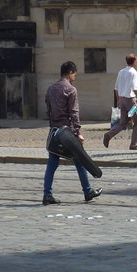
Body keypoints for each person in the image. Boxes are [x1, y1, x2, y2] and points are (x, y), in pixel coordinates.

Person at [43, 60, 102, 206]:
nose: (75, 77)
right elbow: (74, 113)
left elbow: (48, 110)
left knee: (52, 163)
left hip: (55, 131)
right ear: (70, 73)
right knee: (79, 158)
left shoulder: (50, 89)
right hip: (67, 132)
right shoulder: (70, 90)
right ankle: (87, 191)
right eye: (74, 74)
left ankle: (47, 194)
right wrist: (78, 132)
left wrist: (53, 127)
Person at [102, 53, 137, 150]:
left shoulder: (121, 72)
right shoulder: (133, 72)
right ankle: (134, 144)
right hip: (131, 101)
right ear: (134, 61)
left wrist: (119, 100)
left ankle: (109, 134)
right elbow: (135, 87)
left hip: (123, 100)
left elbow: (116, 88)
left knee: (122, 123)